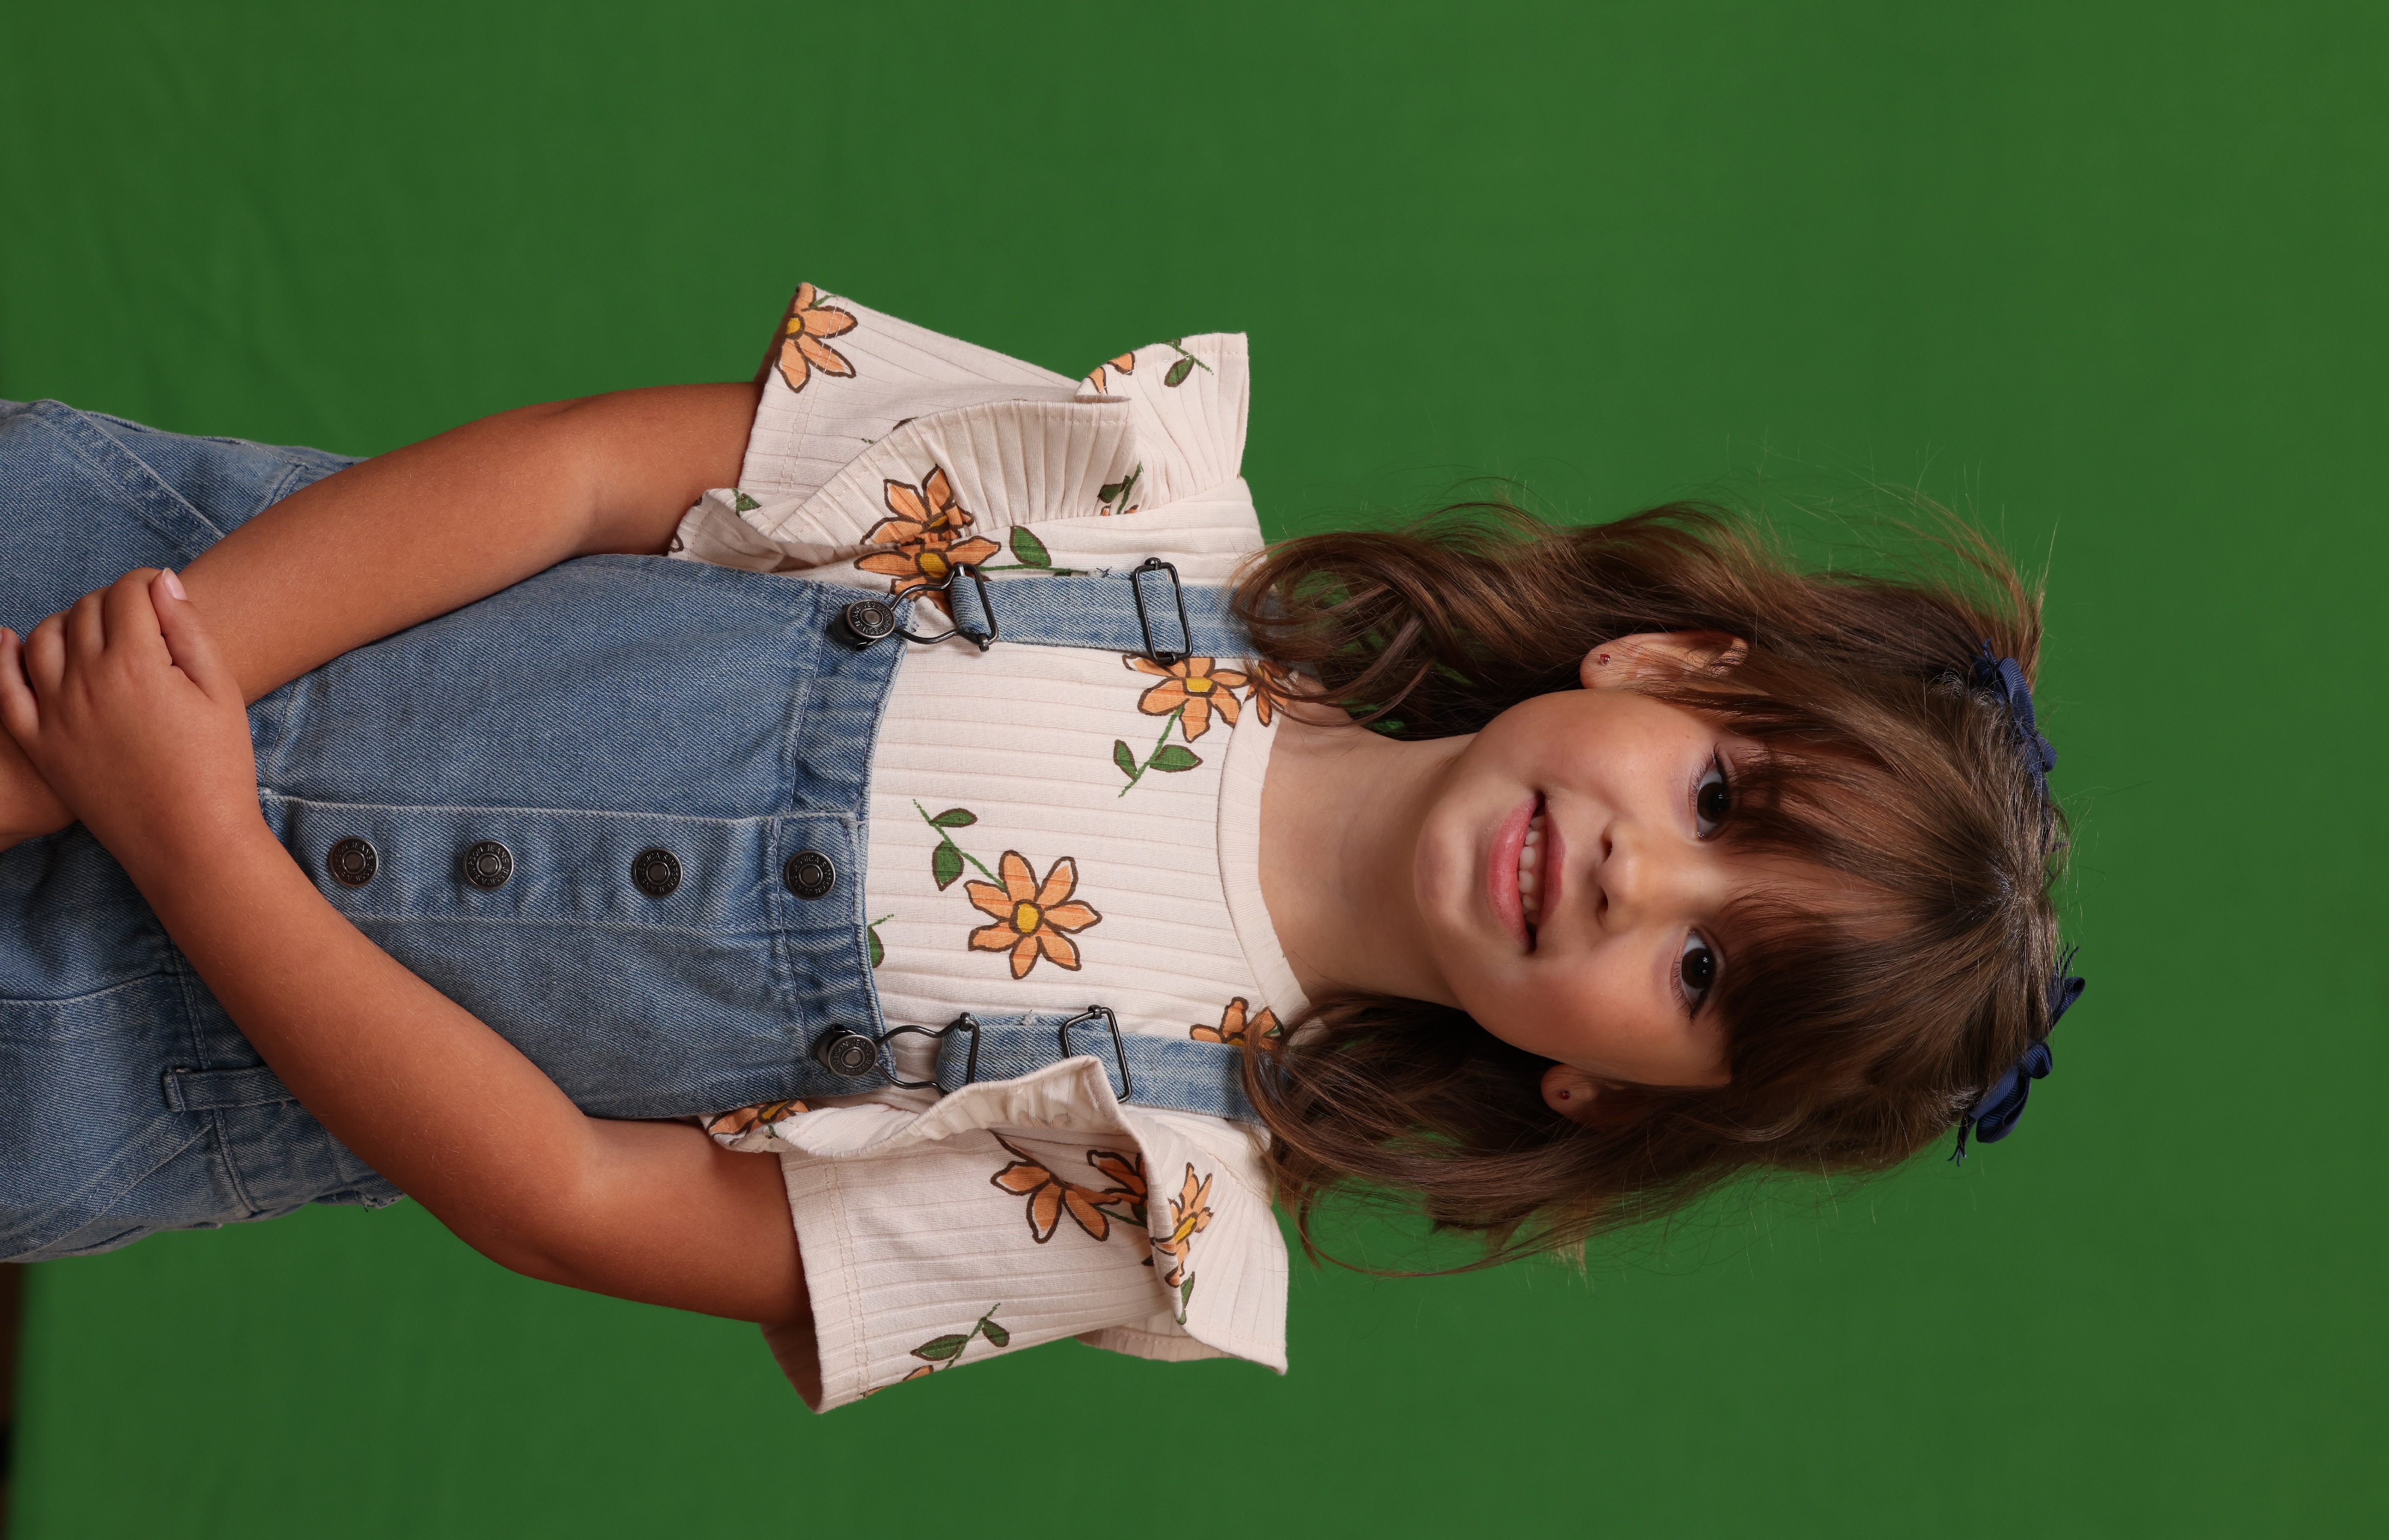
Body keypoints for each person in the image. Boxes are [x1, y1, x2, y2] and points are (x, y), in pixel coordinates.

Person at [0, 286, 2079, 1410]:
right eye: (1718, 803)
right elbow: (585, 475)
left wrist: (192, 840)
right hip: (105, 606)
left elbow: (568, 1198)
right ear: (1670, 663)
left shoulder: (1154, 1196)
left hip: (77, 1057)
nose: (1644, 881)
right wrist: (117, 718)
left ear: (1607, 1092)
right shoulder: (1128, 501)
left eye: (1701, 976)